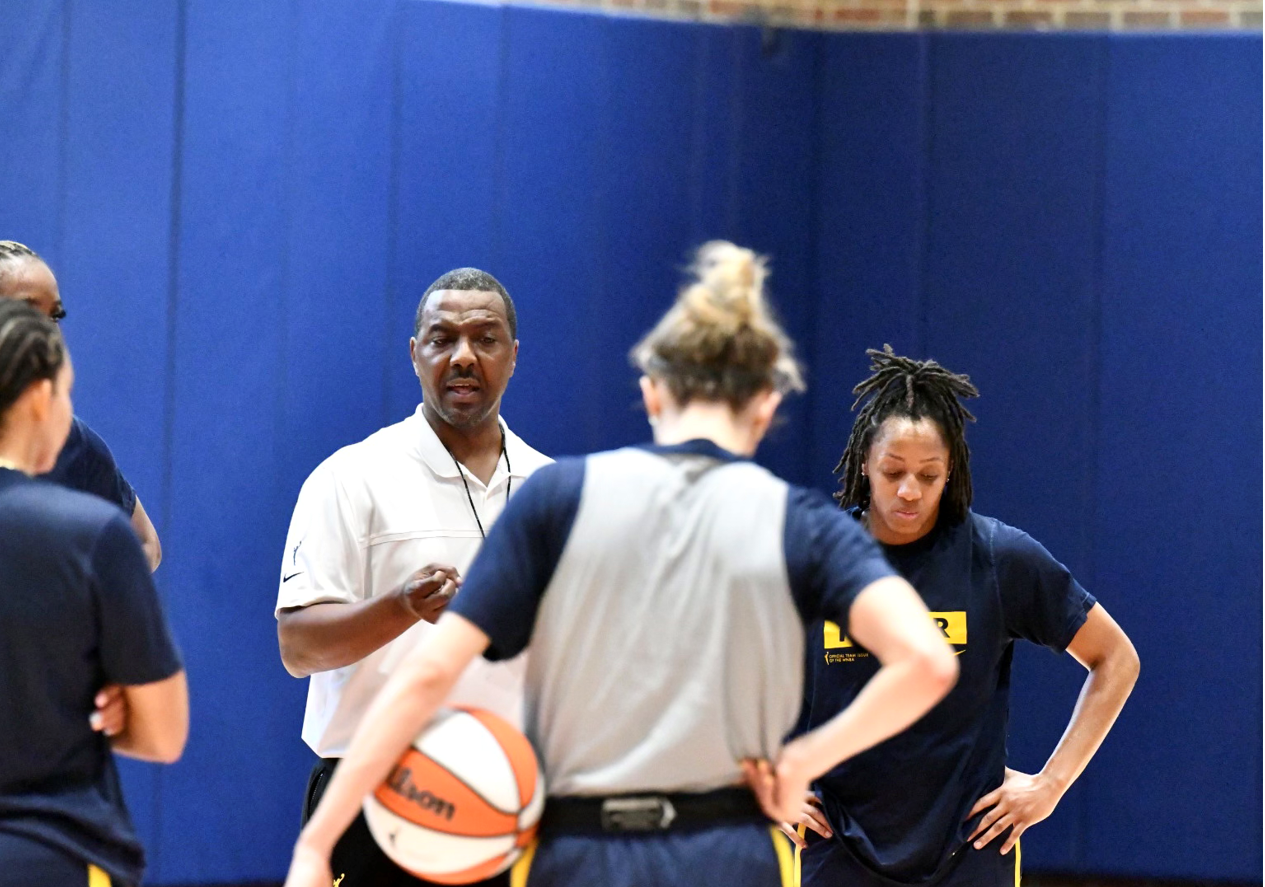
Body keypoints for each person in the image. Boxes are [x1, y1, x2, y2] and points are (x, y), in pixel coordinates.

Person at [282, 242, 959, 887]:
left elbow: (430, 672)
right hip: (725, 840)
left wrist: (316, 842)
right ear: (766, 405)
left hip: (583, 840)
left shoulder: (562, 495)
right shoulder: (800, 521)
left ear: (652, 393)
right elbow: (927, 663)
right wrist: (803, 760)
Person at [790, 346, 1140, 886]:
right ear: (863, 463)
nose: (909, 490)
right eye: (892, 471)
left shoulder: (999, 558)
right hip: (839, 855)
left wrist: (1051, 785)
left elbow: (1115, 658)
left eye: (928, 475)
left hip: (969, 856)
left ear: (950, 470)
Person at [275, 268, 551, 887]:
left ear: (513, 355)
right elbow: (298, 647)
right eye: (442, 338)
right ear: (414, 353)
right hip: (374, 797)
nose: (463, 356)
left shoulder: (551, 489)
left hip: (510, 793)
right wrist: (401, 607)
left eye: (485, 338)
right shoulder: (350, 477)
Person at [0, 297, 188, 887]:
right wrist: (91, 709)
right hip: (45, 855)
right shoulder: (91, 535)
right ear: (41, 398)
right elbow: (163, 734)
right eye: (67, 392)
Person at [0, 239, 162, 571]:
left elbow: (145, 544)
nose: (46, 336)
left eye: (53, 318)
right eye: (24, 314)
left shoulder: (72, 443)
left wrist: (80, 588)